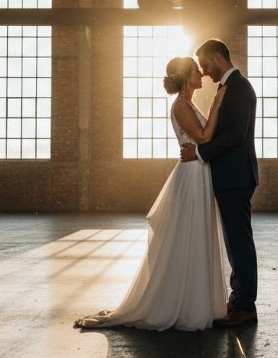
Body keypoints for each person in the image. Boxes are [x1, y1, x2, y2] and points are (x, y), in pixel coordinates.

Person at [75, 57, 229, 331]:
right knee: (188, 236)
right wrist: (217, 104)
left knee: (196, 236)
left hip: (199, 172)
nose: (202, 75)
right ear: (185, 76)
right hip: (192, 176)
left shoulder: (189, 104)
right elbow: (204, 138)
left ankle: (193, 300)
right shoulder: (181, 105)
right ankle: (178, 304)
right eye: (196, 71)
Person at [180, 39, 259, 328]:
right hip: (231, 176)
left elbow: (236, 135)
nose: (204, 71)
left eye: (205, 65)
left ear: (218, 58)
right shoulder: (229, 87)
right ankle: (239, 300)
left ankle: (245, 307)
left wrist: (200, 152)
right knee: (234, 242)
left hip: (235, 177)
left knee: (239, 244)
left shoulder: (238, 87)